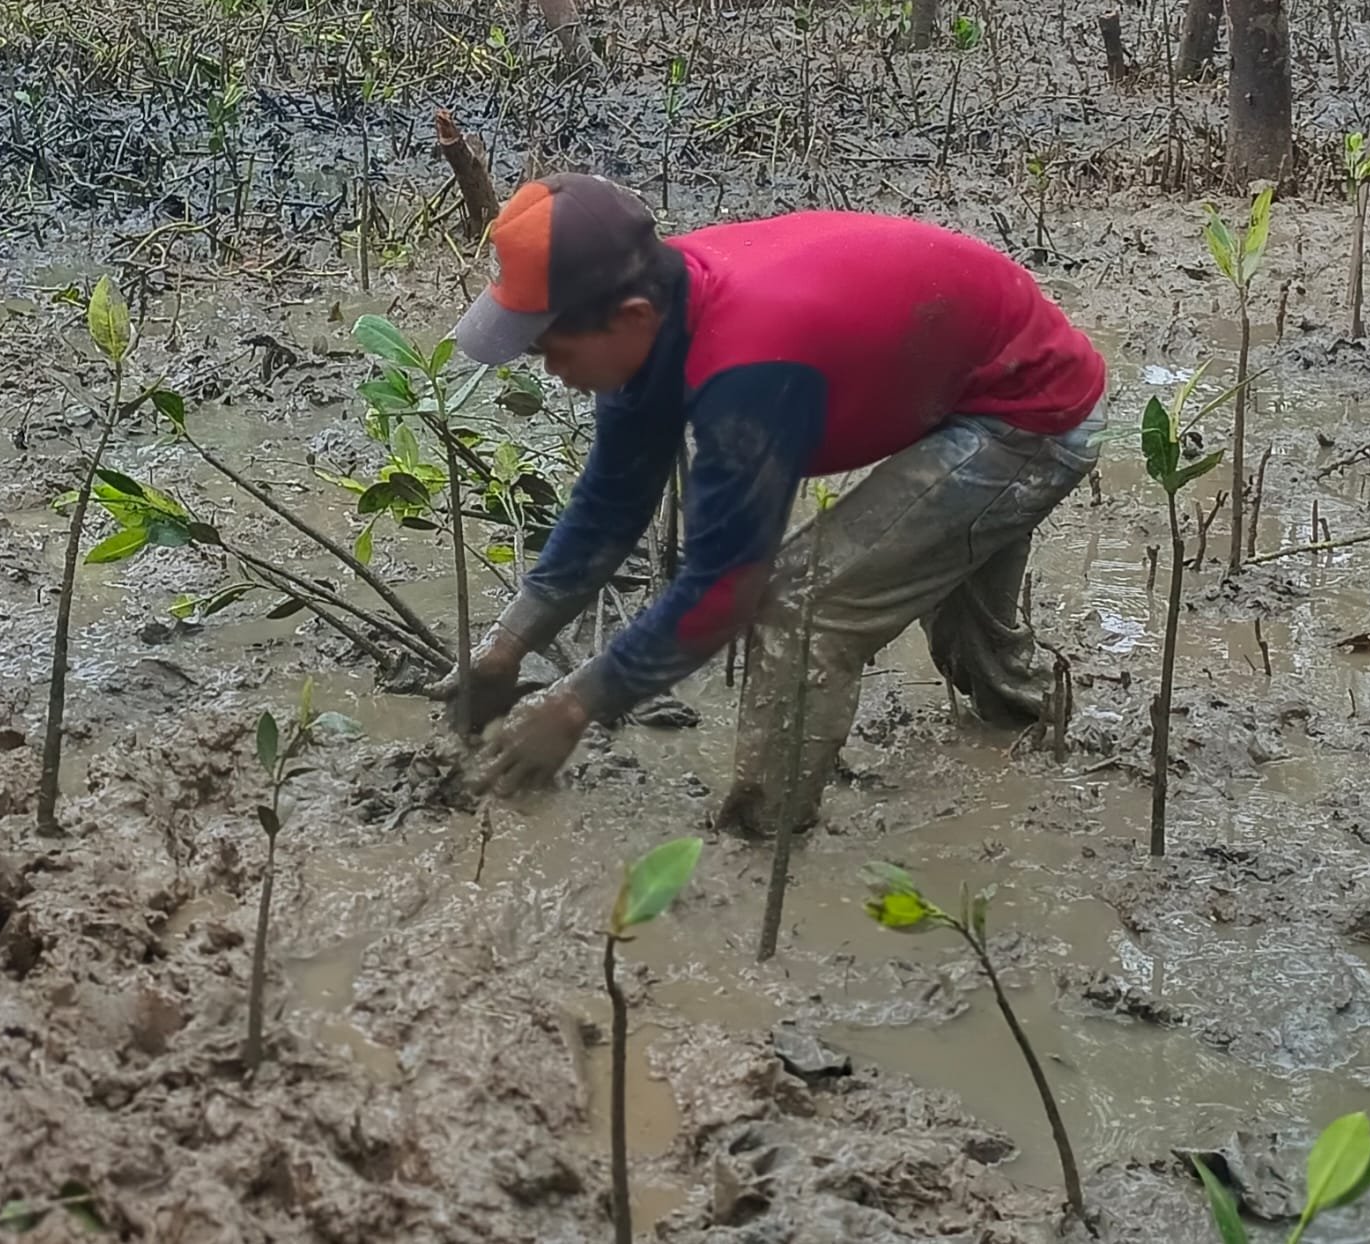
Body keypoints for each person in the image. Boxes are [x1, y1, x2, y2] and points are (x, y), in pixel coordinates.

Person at [431, 171, 1106, 834]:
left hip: (1030, 416)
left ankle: (762, 838)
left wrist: (575, 707)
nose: (553, 372)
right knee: (967, 639)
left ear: (631, 318)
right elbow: (609, 506)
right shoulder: (655, 309)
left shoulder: (749, 368)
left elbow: (723, 591)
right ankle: (1034, 735)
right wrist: (505, 649)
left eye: (553, 350)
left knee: (805, 604)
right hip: (965, 373)